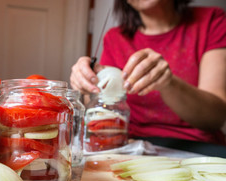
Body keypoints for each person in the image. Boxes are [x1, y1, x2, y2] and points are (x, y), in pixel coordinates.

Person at [70, 0, 226, 145]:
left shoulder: (212, 20)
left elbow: (215, 118)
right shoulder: (114, 38)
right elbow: (100, 108)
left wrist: (168, 83)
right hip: (132, 145)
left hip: (198, 149)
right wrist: (87, 84)